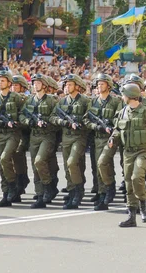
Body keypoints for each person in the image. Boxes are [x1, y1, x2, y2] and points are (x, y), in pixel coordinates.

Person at [109, 84, 146, 228]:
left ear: (130, 95)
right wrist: (112, 138)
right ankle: (131, 215)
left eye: (123, 95)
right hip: (128, 152)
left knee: (137, 177)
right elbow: (117, 129)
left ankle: (143, 205)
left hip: (143, 151)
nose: (122, 97)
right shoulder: (122, 111)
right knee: (129, 182)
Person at [49, 74, 90, 209]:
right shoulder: (62, 102)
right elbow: (53, 117)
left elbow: (89, 118)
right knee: (68, 166)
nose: (67, 87)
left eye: (70, 84)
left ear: (77, 86)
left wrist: (81, 123)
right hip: (66, 137)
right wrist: (64, 122)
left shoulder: (85, 101)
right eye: (66, 84)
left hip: (79, 137)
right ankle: (72, 191)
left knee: (73, 163)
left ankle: (78, 191)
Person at [0, 71, 25, 207]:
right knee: (2, 166)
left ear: (9, 83)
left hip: (13, 134)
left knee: (4, 158)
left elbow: (23, 114)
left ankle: (13, 184)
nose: (0, 83)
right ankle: (6, 193)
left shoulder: (16, 97)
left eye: (3, 80)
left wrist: (16, 122)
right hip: (0, 133)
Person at [19, 74, 59, 208]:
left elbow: (56, 117)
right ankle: (40, 195)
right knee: (35, 167)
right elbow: (22, 116)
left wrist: (47, 122)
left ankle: (48, 185)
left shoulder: (52, 100)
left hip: (47, 136)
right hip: (34, 136)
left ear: (45, 85)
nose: (35, 85)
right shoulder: (30, 100)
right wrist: (29, 121)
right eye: (34, 83)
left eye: (38, 83)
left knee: (39, 161)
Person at [84, 74, 122, 211]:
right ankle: (102, 192)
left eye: (102, 84)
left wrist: (112, 129)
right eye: (98, 84)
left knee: (103, 163)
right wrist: (97, 127)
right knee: (99, 166)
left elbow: (119, 120)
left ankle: (109, 187)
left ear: (109, 86)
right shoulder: (93, 102)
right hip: (97, 138)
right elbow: (86, 120)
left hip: (110, 138)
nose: (99, 86)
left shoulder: (116, 102)